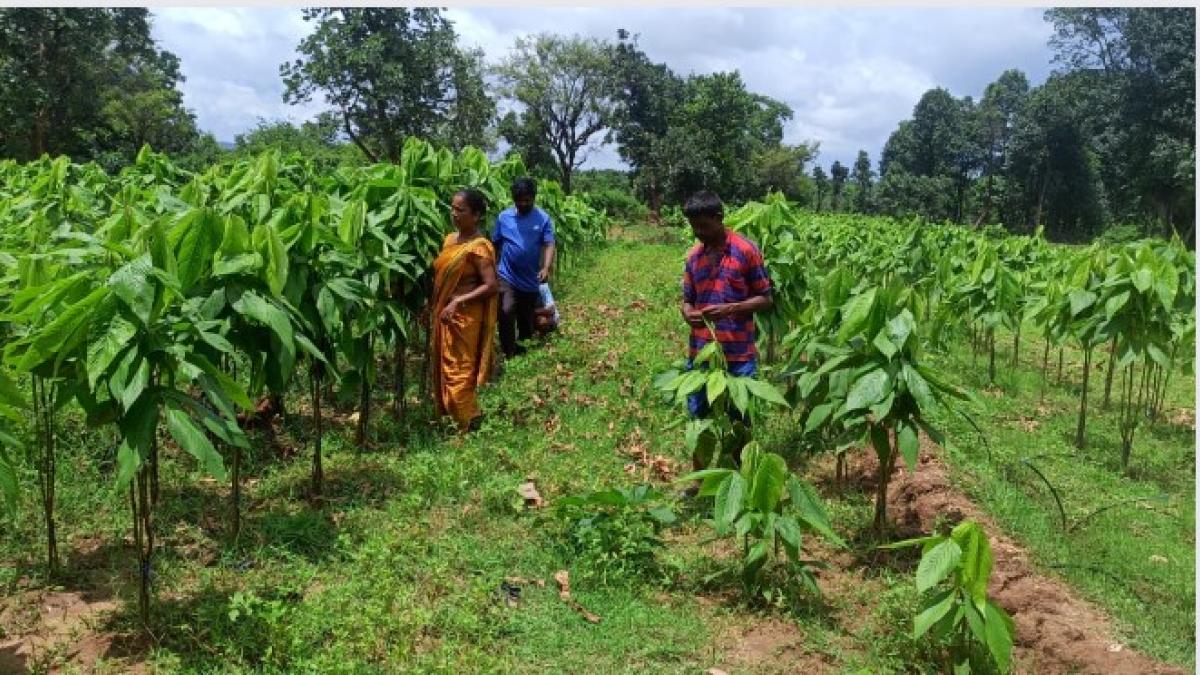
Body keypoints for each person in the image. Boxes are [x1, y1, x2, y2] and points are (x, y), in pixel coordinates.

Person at [680, 190, 773, 468]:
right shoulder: (693, 257)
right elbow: (687, 300)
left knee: (739, 419)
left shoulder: (746, 251)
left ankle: (735, 472)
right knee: (699, 418)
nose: (699, 233)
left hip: (739, 354)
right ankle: (699, 478)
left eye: (704, 226)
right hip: (702, 354)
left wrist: (730, 309)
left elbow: (766, 298)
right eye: (694, 227)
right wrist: (688, 313)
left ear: (719, 218)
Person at [430, 189, 499, 431]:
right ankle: (459, 421)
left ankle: (470, 423)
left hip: (466, 317)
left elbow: (492, 285)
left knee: (461, 372)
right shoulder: (449, 240)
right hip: (446, 315)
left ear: (477, 215)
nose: (454, 214)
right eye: (453, 208)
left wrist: (459, 301)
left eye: (461, 210)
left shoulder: (479, 247)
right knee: (448, 369)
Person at [492, 177, 555, 358]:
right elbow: (494, 244)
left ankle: (523, 351)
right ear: (514, 198)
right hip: (507, 275)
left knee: (526, 319)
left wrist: (546, 267)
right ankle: (508, 351)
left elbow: (549, 243)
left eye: (527, 200)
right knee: (505, 310)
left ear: (533, 198)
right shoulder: (504, 217)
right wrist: (491, 269)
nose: (523, 203)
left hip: (530, 278)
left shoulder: (542, 218)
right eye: (519, 200)